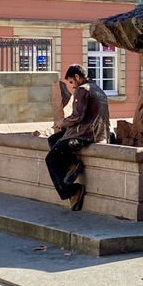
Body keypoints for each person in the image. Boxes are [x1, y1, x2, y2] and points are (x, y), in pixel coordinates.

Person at [45, 65, 110, 210]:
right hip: (96, 133)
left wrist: (62, 122)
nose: (72, 87)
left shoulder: (83, 89)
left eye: (71, 82)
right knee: (53, 140)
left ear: (76, 77)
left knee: (50, 159)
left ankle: (72, 191)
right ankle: (71, 164)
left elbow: (77, 116)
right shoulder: (98, 89)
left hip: (83, 135)